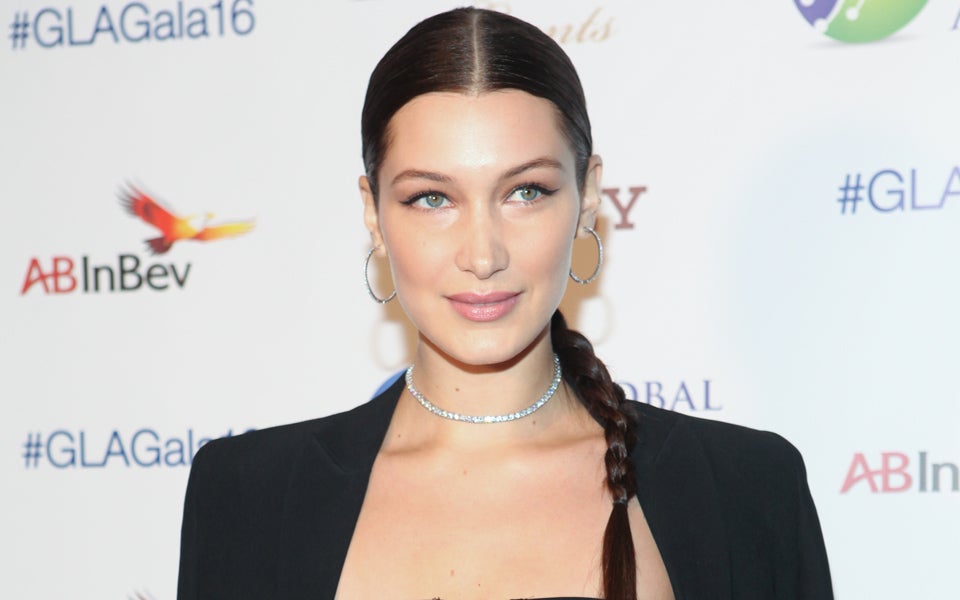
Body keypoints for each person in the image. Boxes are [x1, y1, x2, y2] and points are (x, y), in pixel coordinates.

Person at [177, 7, 833, 600]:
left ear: (589, 196)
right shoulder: (245, 498)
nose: (483, 254)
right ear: (373, 214)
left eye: (525, 192)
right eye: (432, 198)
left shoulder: (746, 489)